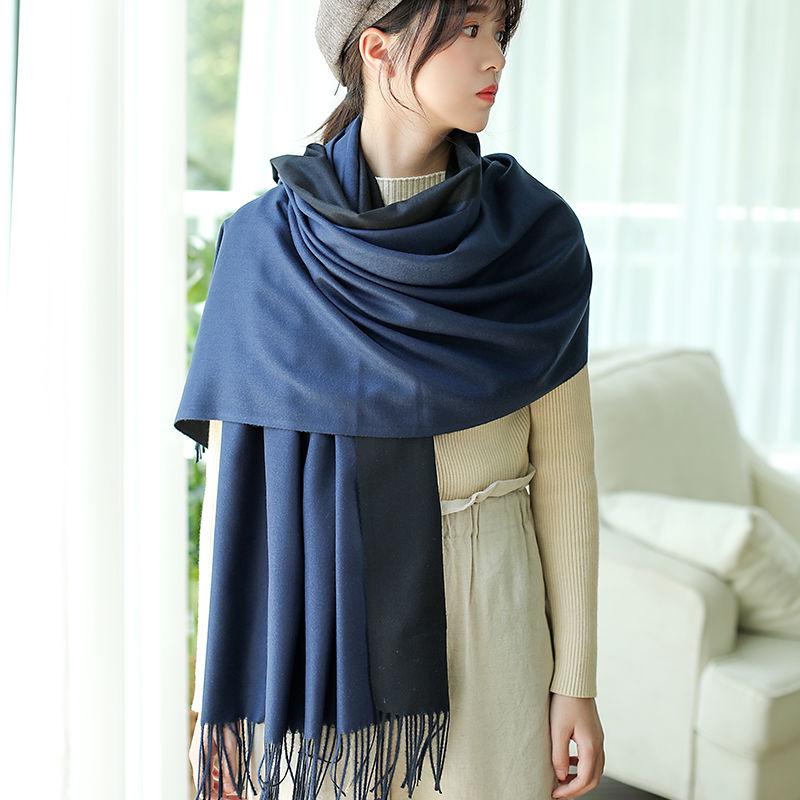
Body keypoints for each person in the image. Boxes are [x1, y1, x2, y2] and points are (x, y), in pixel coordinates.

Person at [187, 0, 605, 798]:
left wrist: (576, 680)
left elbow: (565, 470)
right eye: (470, 29)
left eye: (500, 31)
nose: (496, 56)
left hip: (494, 603)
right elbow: (236, 501)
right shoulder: (266, 247)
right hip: (317, 615)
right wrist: (220, 705)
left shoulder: (535, 241)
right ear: (377, 48)